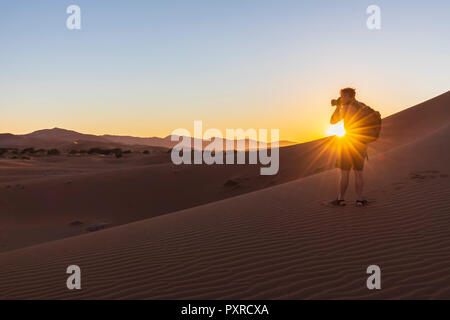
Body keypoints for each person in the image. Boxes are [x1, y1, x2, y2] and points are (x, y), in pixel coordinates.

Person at [330, 87, 369, 207]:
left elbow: (333, 121)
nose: (341, 98)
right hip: (361, 143)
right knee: (359, 173)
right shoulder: (362, 106)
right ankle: (360, 200)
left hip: (348, 143)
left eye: (342, 96)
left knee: (344, 173)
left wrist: (337, 107)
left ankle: (341, 199)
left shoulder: (346, 107)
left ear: (347, 96)